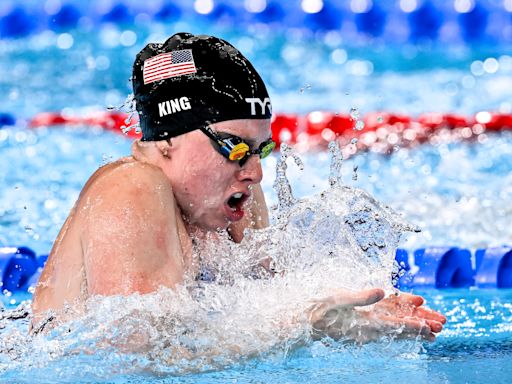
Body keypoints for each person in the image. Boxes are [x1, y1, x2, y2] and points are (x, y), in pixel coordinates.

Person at [31, 32, 445, 341]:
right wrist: (308, 323)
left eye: (260, 151)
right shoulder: (132, 187)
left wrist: (357, 315)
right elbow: (136, 357)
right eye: (234, 147)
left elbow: (272, 303)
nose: (254, 172)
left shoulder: (233, 200)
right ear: (169, 139)